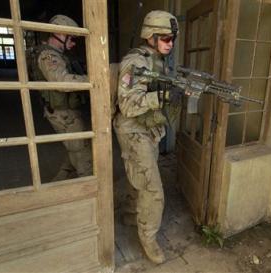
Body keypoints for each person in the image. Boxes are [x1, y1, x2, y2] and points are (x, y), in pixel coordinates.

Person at [113, 10, 182, 264]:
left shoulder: (158, 60)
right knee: (154, 190)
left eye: (172, 38)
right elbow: (129, 105)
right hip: (133, 130)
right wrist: (161, 97)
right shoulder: (136, 62)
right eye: (165, 38)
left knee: (138, 177)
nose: (170, 43)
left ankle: (132, 213)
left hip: (148, 130)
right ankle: (148, 238)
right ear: (150, 37)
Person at [27, 15, 92, 180]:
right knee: (83, 154)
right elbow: (62, 82)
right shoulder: (49, 56)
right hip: (62, 113)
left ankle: (59, 181)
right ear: (60, 34)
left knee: (75, 147)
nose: (73, 42)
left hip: (66, 110)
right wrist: (92, 80)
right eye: (71, 38)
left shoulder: (57, 54)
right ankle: (90, 189)